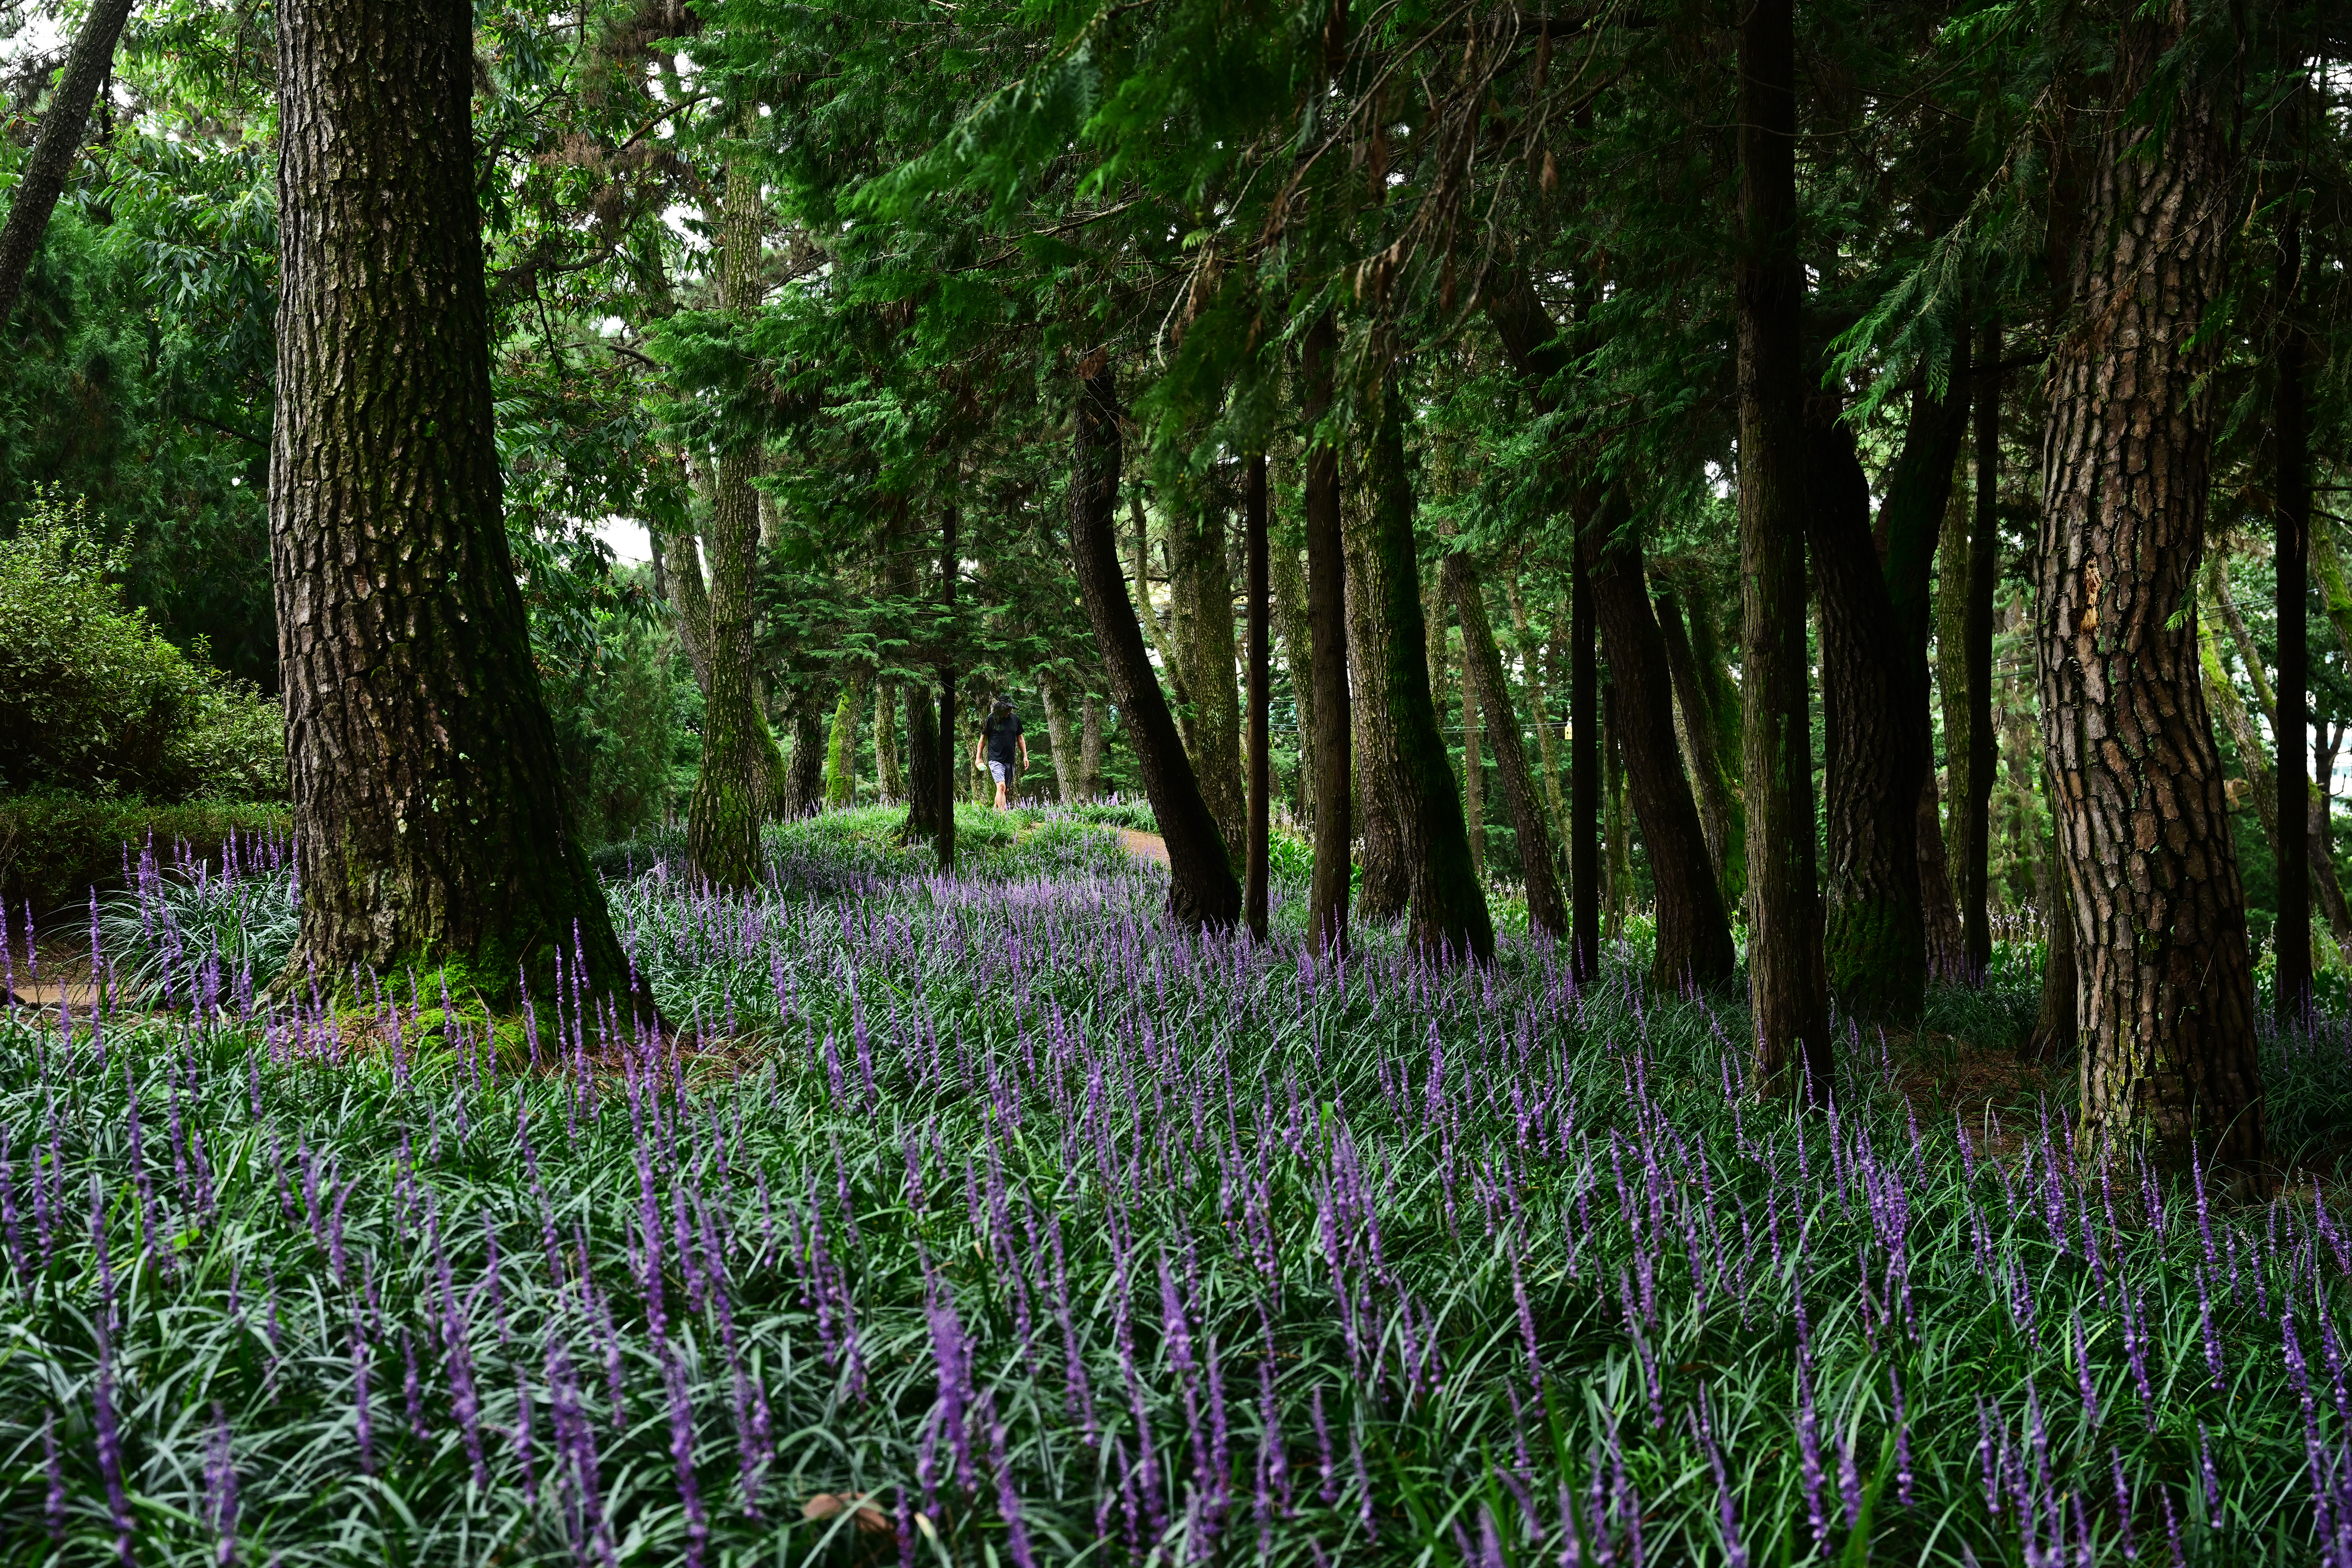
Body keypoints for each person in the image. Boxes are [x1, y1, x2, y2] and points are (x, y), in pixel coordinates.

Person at [974, 696, 1028, 810]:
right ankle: (1002, 817)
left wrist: (1025, 756)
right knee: (1001, 786)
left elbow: (1020, 738)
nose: (1009, 711)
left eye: (1010, 708)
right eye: (1007, 708)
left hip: (1010, 759)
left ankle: (995, 810)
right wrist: (978, 758)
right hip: (995, 758)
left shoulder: (1015, 719)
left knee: (1005, 789)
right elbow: (983, 739)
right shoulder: (991, 719)